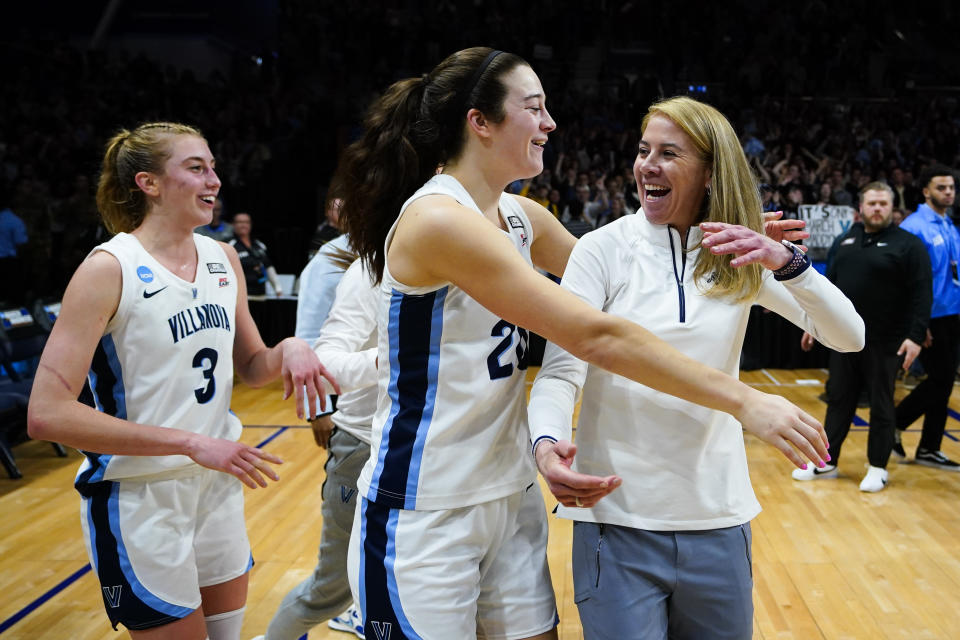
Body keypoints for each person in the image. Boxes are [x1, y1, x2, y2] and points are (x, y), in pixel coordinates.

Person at [334, 47, 836, 640]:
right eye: (535, 108)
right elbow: (595, 332)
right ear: (480, 122)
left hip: (511, 490)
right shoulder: (438, 219)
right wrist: (745, 401)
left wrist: (735, 251)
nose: (550, 123)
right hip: (426, 499)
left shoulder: (520, 215)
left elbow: (630, 287)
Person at [527, 96, 864, 640]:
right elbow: (563, 372)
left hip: (719, 520)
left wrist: (790, 264)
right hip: (617, 522)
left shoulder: (739, 252)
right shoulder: (601, 251)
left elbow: (849, 336)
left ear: (709, 172)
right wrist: (545, 444)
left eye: (668, 153)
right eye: (642, 151)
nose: (647, 165)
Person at [25, 122, 334, 640]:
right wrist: (190, 443)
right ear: (149, 183)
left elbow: (254, 365)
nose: (214, 178)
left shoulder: (222, 258)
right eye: (196, 167)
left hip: (215, 486)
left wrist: (293, 349)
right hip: (139, 496)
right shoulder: (108, 268)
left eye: (213, 166)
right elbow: (46, 413)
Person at [257, 253, 379, 640]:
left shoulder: (465, 253)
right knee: (331, 588)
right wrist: (317, 411)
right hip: (362, 443)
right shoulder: (365, 269)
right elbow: (317, 355)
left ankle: (363, 608)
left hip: (431, 450)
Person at [794, 182, 931, 491]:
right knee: (838, 400)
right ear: (861, 208)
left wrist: (915, 336)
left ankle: (878, 466)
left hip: (888, 341)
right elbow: (826, 290)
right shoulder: (846, 240)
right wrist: (812, 323)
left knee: (882, 403)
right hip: (844, 339)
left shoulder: (908, 245)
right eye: (872, 203)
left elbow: (922, 293)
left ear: (893, 209)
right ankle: (827, 462)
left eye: (883, 203)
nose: (878, 208)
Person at [893, 164, 960, 470]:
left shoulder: (949, 225)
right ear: (925, 191)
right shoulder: (914, 227)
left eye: (951, 187)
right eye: (941, 187)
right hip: (930, 317)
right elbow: (905, 279)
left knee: (943, 382)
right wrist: (917, 323)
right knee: (941, 379)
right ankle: (894, 424)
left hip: (951, 313)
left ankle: (929, 447)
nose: (948, 192)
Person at [229, 212, 283, 297]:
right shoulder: (229, 245)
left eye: (246, 222)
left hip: (261, 293)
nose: (243, 225)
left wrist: (277, 288)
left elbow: (268, 267)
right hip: (241, 295)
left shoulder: (259, 245)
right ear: (233, 224)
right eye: (240, 222)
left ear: (250, 225)